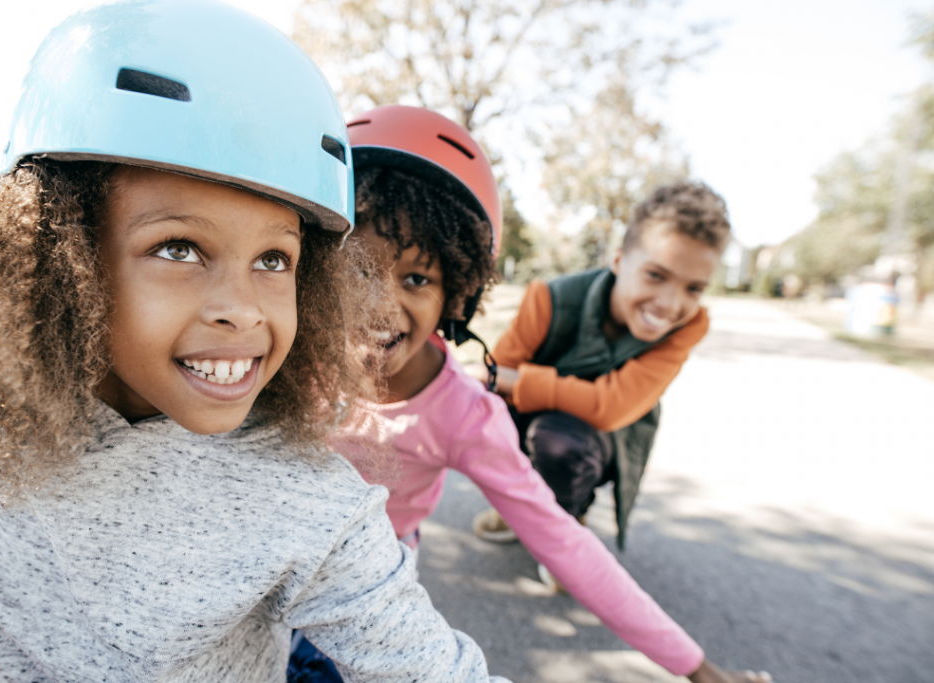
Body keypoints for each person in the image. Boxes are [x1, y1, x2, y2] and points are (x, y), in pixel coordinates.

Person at [0, 4, 511, 682]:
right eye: (179, 248)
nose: (243, 310)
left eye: (274, 259)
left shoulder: (309, 508)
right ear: (54, 257)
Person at [325, 105, 770, 683]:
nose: (379, 306)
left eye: (417, 278)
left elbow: (566, 543)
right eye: (357, 269)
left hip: (372, 572)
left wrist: (698, 668)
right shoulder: (287, 356)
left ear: (456, 293)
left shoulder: (462, 415)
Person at [473, 181, 728, 558]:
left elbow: (610, 408)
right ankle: (518, 503)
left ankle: (566, 522)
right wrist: (508, 382)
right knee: (487, 417)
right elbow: (491, 379)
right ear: (619, 261)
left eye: (693, 289)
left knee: (561, 442)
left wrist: (522, 381)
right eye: (656, 275)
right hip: (528, 421)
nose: (670, 303)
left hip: (602, 440)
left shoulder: (689, 325)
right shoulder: (550, 298)